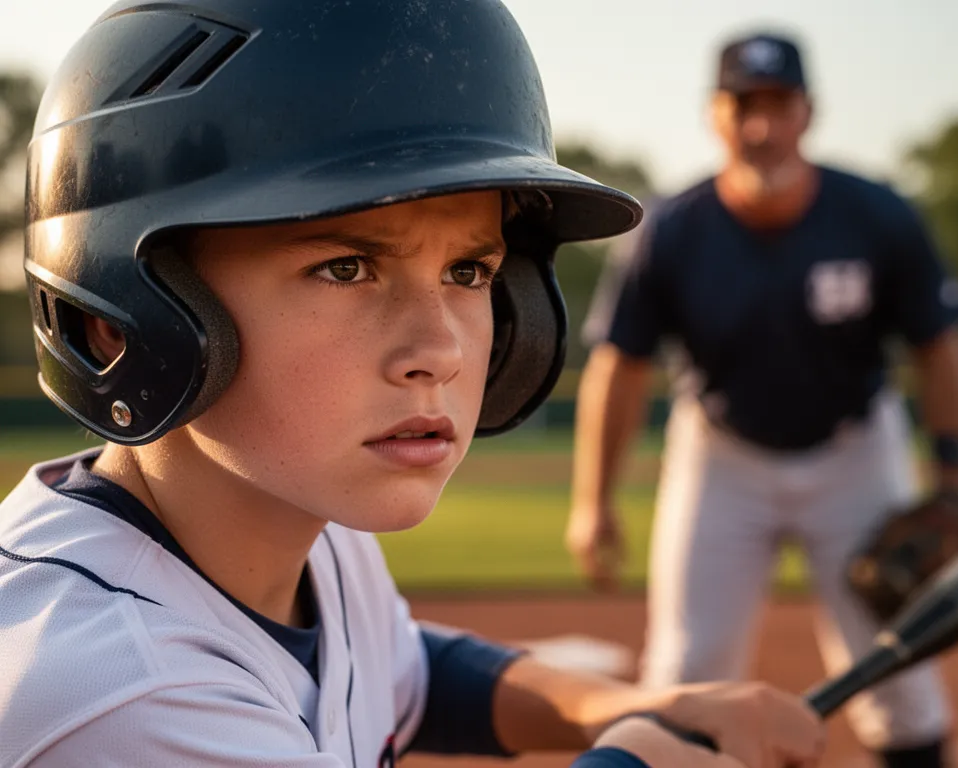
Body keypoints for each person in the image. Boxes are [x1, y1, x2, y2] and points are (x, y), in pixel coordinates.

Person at [0, 3, 826, 767]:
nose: (442, 349)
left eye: (470, 270)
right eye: (345, 267)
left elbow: (405, 668)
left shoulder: (313, 528)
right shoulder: (116, 692)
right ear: (115, 316)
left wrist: (606, 707)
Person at [566, 30, 958, 768]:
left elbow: (939, 347)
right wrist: (593, 501)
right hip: (723, 454)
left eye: (777, 104)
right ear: (714, 115)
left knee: (899, 674)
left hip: (856, 453)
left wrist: (951, 480)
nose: (760, 125)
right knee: (686, 672)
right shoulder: (671, 230)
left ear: (807, 113)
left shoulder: (877, 214)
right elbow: (619, 369)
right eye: (742, 104)